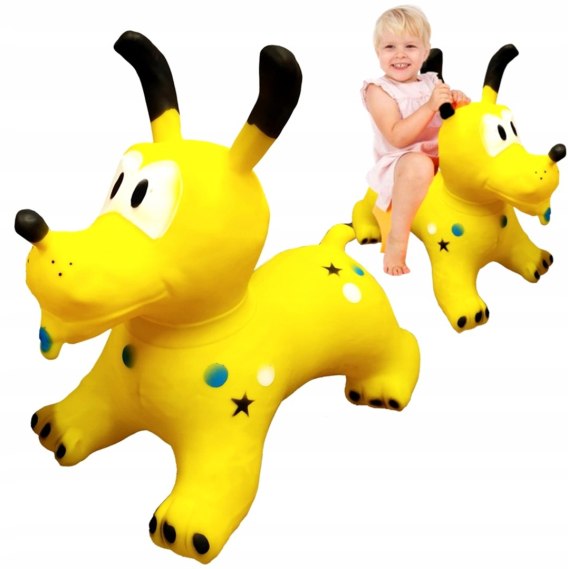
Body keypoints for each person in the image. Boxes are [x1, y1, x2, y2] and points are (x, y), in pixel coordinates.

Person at [361, 5, 470, 275]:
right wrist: (430, 106)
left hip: (441, 158)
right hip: (402, 162)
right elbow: (397, 136)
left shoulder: (432, 82)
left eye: (410, 46)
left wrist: (457, 102)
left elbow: (449, 120)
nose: (400, 54)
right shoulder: (379, 90)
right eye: (390, 47)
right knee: (419, 164)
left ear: (425, 52)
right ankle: (397, 241)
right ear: (377, 52)